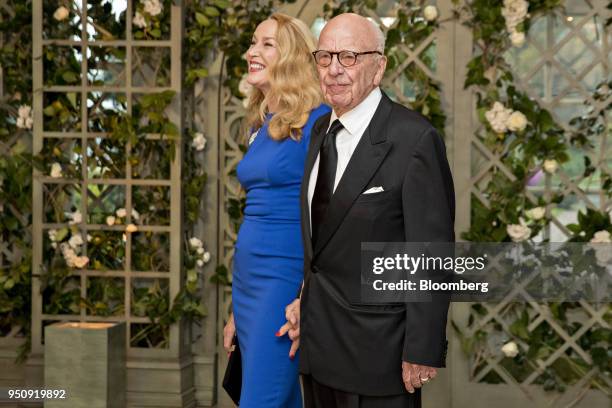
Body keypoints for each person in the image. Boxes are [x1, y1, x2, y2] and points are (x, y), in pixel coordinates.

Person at [278, 13, 455, 408]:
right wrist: (305, 300)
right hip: (318, 349)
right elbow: (324, 241)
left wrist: (422, 348)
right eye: (325, 57)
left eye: (349, 56)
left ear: (379, 66)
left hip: (379, 356)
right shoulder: (321, 130)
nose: (334, 69)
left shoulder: (414, 139)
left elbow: (432, 254)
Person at [222, 12, 330, 408]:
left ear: (292, 58)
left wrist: (307, 296)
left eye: (268, 44)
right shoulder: (261, 123)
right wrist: (236, 312)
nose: (253, 51)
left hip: (283, 281)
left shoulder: (317, 122)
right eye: (254, 42)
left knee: (262, 401)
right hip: (248, 282)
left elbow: (328, 216)